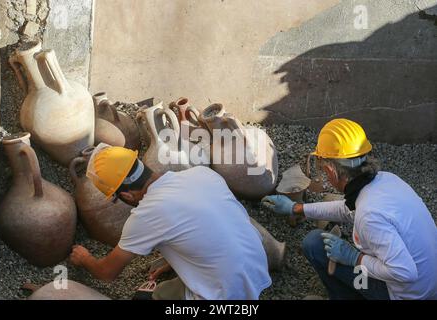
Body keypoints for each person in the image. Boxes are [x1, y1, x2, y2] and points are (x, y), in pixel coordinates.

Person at [69, 143, 273, 300]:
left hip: (229, 295)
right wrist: (173, 260)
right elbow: (204, 226)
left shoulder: (146, 215)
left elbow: (107, 273)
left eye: (116, 198)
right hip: (257, 269)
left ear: (128, 196)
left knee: (150, 297)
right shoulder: (201, 173)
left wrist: (85, 258)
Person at [262, 118, 437, 300]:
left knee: (314, 244)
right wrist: (297, 208)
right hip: (429, 285)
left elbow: (404, 272)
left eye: (322, 168)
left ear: (331, 170)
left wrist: (355, 258)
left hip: (406, 295)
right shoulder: (386, 180)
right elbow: (347, 209)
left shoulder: (369, 215)